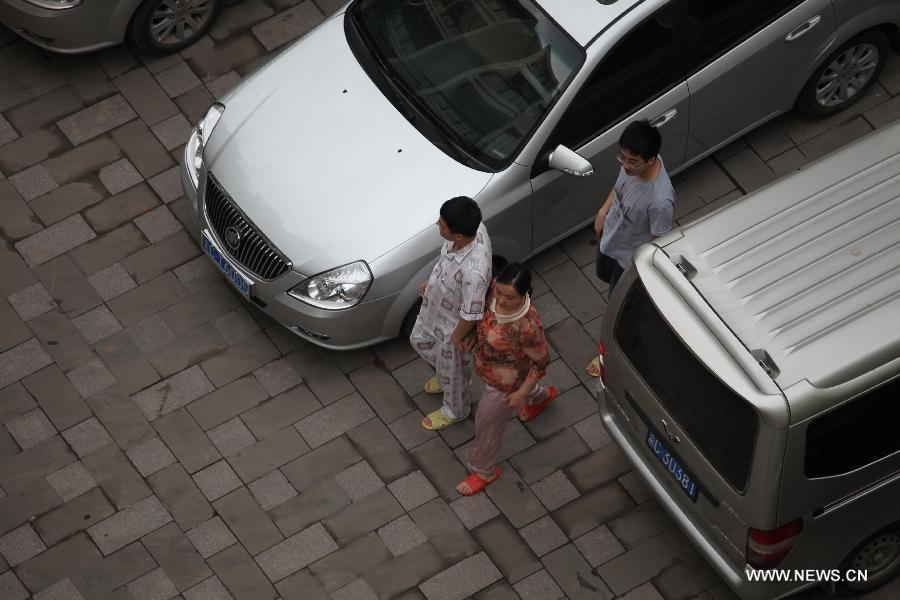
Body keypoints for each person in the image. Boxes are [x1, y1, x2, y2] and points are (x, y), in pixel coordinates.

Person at [456, 262, 557, 495]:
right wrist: (473, 333)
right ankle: (539, 397)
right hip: (488, 364)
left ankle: (484, 470)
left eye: (509, 297)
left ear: (525, 294)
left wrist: (519, 394)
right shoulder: (493, 288)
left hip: (505, 383)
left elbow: (540, 362)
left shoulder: (528, 326)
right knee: (523, 390)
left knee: (487, 423)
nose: (500, 300)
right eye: (498, 292)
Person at [586, 120, 675, 377]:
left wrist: (641, 273)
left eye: (632, 161)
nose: (625, 165)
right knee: (602, 274)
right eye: (622, 157)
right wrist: (604, 211)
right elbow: (619, 186)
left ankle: (611, 348)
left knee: (619, 309)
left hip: (629, 261)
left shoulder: (659, 200)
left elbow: (659, 241)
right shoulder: (630, 168)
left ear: (650, 160)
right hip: (610, 240)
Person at [411, 196, 492, 430]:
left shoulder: (474, 272)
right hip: (434, 308)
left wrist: (458, 337)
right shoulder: (471, 229)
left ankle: (455, 410)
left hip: (451, 327)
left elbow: (471, 311)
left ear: (458, 235)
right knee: (419, 341)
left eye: (442, 224)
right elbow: (447, 261)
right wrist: (433, 282)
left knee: (453, 371)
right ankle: (444, 374)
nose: (438, 223)